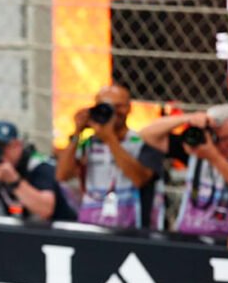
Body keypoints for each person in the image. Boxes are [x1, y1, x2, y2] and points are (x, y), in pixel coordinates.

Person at [56, 85, 165, 229]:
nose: (113, 112)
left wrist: (110, 139)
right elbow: (62, 175)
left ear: (129, 108)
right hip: (91, 223)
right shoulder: (88, 143)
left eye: (118, 106)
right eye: (105, 106)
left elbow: (140, 179)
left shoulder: (143, 142)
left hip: (131, 227)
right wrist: (77, 132)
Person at [138, 104, 228, 237]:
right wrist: (188, 118)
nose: (221, 144)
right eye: (216, 138)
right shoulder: (198, 150)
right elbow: (147, 134)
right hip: (189, 236)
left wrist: (214, 157)